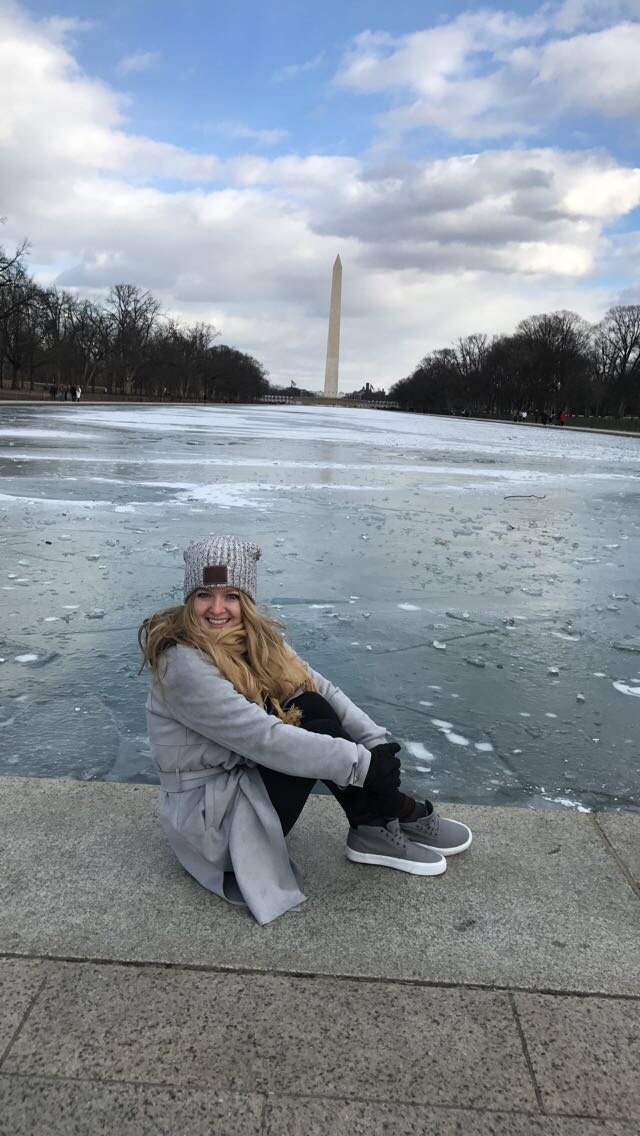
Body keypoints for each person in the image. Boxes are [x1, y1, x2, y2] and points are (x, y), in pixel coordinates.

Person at [139, 536, 472, 925]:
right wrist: (364, 766)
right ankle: (395, 813)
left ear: (246, 599)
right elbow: (265, 739)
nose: (217, 609)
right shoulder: (182, 664)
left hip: (239, 781)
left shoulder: (256, 640)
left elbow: (319, 688)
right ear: (189, 599)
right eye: (203, 595)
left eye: (230, 596)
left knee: (310, 704)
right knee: (315, 728)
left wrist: (376, 743)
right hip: (212, 825)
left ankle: (375, 825)